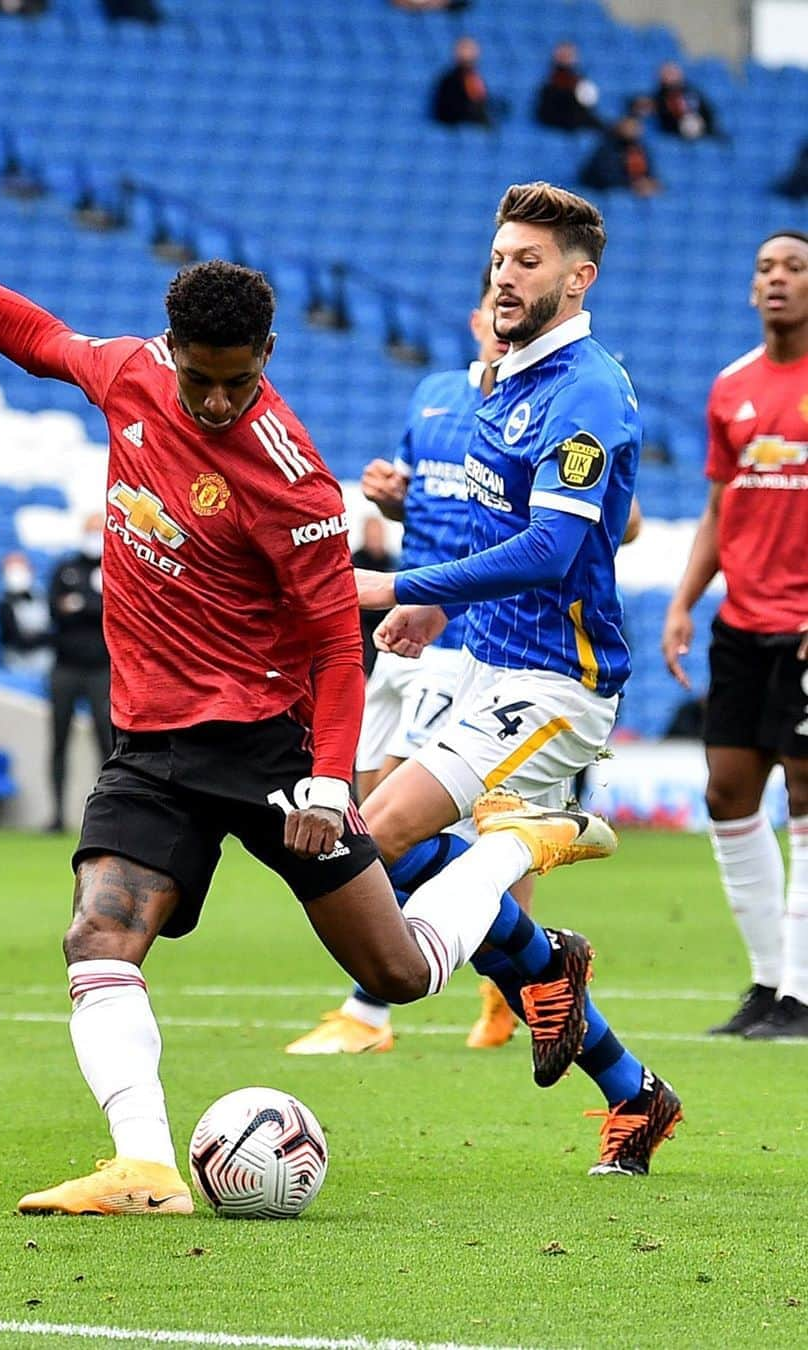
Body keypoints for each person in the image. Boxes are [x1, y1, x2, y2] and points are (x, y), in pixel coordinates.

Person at [0, 176, 624, 1213]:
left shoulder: (293, 481)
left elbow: (331, 644)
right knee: (98, 934)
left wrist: (322, 783)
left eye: (237, 382)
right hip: (151, 746)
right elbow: (35, 335)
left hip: (266, 746)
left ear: (266, 357)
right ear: (170, 352)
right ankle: (142, 1166)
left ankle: (514, 846)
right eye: (201, 381)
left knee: (399, 974)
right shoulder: (131, 377)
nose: (218, 402)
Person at [354, 181, 682, 1175]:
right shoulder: (505, 378)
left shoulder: (586, 390)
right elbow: (496, 531)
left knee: (364, 850)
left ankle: (551, 874)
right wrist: (434, 604)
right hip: (489, 670)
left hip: (558, 689)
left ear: (579, 280)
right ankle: (626, 1080)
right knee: (367, 851)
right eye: (500, 258)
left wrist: (392, 583)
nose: (505, 275)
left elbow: (547, 550)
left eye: (528, 262)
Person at [288, 270, 531, 1057]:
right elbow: (424, 502)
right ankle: (518, 971)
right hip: (398, 631)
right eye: (491, 311)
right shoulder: (433, 395)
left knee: (382, 816)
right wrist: (390, 498)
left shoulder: (527, 410)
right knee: (369, 803)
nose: (501, 325)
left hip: (459, 635)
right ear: (472, 320)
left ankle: (369, 1013)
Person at [661, 229, 808, 1040]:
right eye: (765, 269)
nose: (777, 279)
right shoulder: (732, 389)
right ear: (751, 290)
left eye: (793, 268)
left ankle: (803, 995)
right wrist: (686, 599)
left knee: (806, 795)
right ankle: (767, 984)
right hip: (742, 621)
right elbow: (722, 506)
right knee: (727, 792)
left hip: (805, 625)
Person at [47, 514, 112, 832]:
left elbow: (115, 609)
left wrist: (80, 605)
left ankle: (111, 815)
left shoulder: (114, 566)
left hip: (102, 668)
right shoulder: (66, 568)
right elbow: (54, 612)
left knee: (109, 744)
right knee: (59, 740)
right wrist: (93, 604)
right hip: (66, 668)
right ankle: (57, 814)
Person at [349, 513, 398, 676]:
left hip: (386, 623)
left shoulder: (393, 563)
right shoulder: (352, 562)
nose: (376, 538)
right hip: (360, 625)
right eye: (372, 534)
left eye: (379, 534)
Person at [0, 551, 53, 676]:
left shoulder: (42, 597)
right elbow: (13, 637)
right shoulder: (3, 604)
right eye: (12, 570)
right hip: (15, 664)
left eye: (20, 569)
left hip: (46, 663)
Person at [579, 115, 661, 198]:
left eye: (635, 126)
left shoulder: (640, 148)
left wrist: (650, 182)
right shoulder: (606, 149)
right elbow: (607, 176)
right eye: (629, 126)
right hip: (605, 190)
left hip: (632, 188)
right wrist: (632, 185)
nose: (633, 129)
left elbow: (648, 171)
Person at [534, 42, 603, 133]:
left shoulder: (579, 80)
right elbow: (545, 112)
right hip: (557, 123)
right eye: (563, 54)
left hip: (579, 122)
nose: (566, 57)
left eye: (569, 54)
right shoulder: (550, 83)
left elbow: (588, 106)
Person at [430, 37, 494, 128]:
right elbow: (444, 109)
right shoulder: (448, 80)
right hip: (455, 125)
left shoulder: (476, 78)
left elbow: (482, 104)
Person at [651, 61, 720, 141]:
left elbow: (707, 111)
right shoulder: (658, 98)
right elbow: (662, 119)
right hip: (675, 134)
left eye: (674, 73)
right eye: (668, 74)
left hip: (701, 130)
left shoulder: (692, 92)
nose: (672, 77)